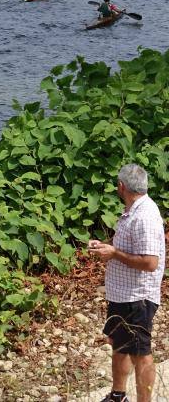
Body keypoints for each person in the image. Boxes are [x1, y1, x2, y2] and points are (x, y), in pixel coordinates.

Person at [89, 164, 165, 402]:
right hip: (123, 294)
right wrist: (106, 247)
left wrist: (114, 254)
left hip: (138, 297)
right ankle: (118, 395)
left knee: (140, 353)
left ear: (121, 186)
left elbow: (150, 262)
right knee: (119, 344)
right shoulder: (133, 211)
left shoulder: (145, 216)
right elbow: (129, 246)